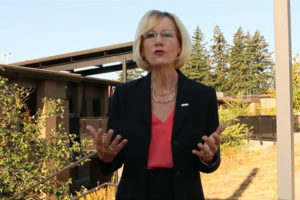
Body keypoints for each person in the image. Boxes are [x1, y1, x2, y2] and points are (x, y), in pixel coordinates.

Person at [86, 10, 226, 200]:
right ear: (142, 49)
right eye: (150, 35)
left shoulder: (202, 95)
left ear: (180, 46)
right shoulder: (124, 95)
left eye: (167, 34)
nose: (158, 41)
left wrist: (208, 157)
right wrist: (106, 156)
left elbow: (209, 163)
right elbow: (114, 159)